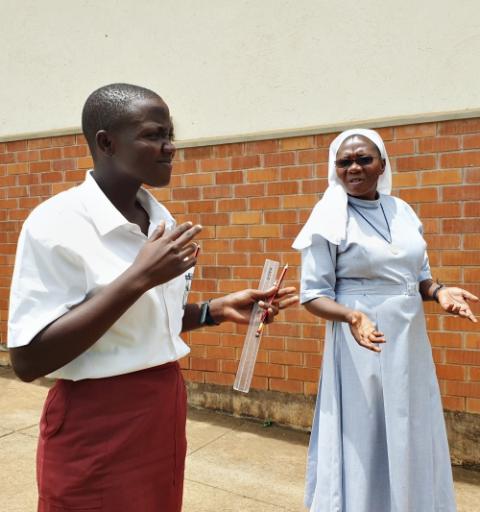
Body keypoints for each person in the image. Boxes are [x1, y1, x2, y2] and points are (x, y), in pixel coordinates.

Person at [7, 83, 298, 512]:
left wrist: (212, 311)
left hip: (161, 407)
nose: (169, 147)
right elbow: (28, 360)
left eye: (171, 134)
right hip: (98, 418)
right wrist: (138, 277)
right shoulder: (56, 224)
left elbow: (138, 325)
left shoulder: (159, 219)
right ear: (106, 142)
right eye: (153, 135)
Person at [292, 128, 478, 512]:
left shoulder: (402, 210)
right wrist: (352, 316)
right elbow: (312, 295)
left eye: (363, 159)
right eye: (344, 162)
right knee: (367, 428)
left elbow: (419, 274)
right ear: (335, 168)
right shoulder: (328, 217)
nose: (354, 168)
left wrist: (440, 292)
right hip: (363, 339)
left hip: (409, 339)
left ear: (382, 165)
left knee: (409, 421)